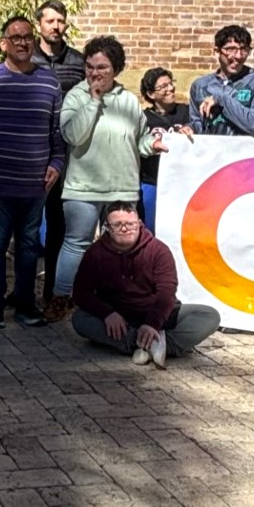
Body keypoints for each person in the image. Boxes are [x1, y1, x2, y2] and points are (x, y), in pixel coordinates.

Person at [53, 35, 173, 321]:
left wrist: (152, 145)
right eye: (90, 67)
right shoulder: (76, 96)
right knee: (75, 243)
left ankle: (115, 299)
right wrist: (93, 101)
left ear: (116, 69)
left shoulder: (129, 101)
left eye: (102, 67)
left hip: (121, 188)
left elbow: (139, 140)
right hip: (83, 188)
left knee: (121, 249)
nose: (95, 73)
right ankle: (61, 297)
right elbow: (72, 135)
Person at [0, 16, 65, 328]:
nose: (22, 42)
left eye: (27, 37)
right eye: (15, 37)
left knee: (29, 247)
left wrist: (57, 164)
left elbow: (58, 132)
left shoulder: (49, 82)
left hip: (36, 185)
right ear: (3, 43)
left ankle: (25, 304)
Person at [71, 202, 221, 369]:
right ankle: (149, 344)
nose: (125, 229)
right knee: (79, 319)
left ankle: (153, 344)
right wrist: (107, 314)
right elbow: (80, 293)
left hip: (156, 314)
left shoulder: (158, 250)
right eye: (117, 225)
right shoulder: (95, 253)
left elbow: (166, 293)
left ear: (139, 224)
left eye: (130, 224)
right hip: (119, 319)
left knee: (209, 315)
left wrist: (152, 324)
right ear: (107, 227)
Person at [32, 0, 87, 310]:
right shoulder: (27, 60)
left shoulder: (78, 62)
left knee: (58, 224)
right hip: (30, 152)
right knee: (24, 225)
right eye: (50, 21)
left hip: (64, 155)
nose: (55, 26)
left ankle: (54, 291)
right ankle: (23, 289)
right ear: (39, 24)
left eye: (60, 21)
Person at [189, 25, 254, 138]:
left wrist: (221, 99)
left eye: (244, 50)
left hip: (245, 154)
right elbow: (198, 126)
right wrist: (189, 128)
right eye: (231, 49)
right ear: (217, 52)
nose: (238, 56)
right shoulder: (200, 86)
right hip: (211, 153)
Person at [137, 68, 192, 230]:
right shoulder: (143, 118)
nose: (170, 89)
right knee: (150, 228)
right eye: (163, 86)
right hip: (151, 182)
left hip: (182, 185)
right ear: (151, 94)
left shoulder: (187, 112)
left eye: (171, 83)